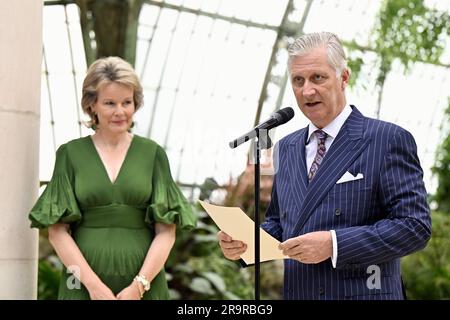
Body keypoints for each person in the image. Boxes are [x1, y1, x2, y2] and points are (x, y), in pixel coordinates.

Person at [218, 32, 431, 300]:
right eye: (298, 80)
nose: (307, 90)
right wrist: (246, 243)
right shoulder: (287, 147)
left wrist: (334, 245)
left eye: (317, 77)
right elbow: (281, 222)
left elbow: (414, 226)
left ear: (344, 78)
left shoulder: (386, 140)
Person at [29, 56, 197, 300]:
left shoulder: (154, 154)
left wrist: (138, 287)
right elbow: (57, 231)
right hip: (82, 285)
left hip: (144, 285)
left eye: (126, 102)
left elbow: (166, 232)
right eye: (110, 103)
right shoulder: (69, 154)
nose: (120, 112)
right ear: (92, 105)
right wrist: (94, 288)